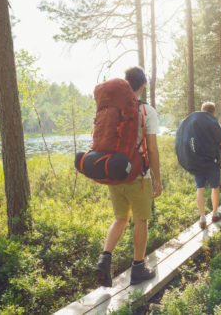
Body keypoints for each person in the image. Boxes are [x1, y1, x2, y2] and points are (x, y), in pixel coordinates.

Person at [95, 66, 162, 287]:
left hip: (114, 173)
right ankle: (139, 267)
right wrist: (157, 178)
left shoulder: (113, 108)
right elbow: (152, 149)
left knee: (120, 219)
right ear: (142, 85)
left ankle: (104, 258)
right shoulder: (147, 111)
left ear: (125, 84)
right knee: (140, 220)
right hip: (138, 176)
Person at [195, 102, 221, 229]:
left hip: (197, 162)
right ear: (213, 112)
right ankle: (215, 213)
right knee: (215, 187)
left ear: (202, 111)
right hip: (212, 161)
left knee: (200, 189)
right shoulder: (216, 124)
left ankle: (202, 218)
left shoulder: (195, 124)